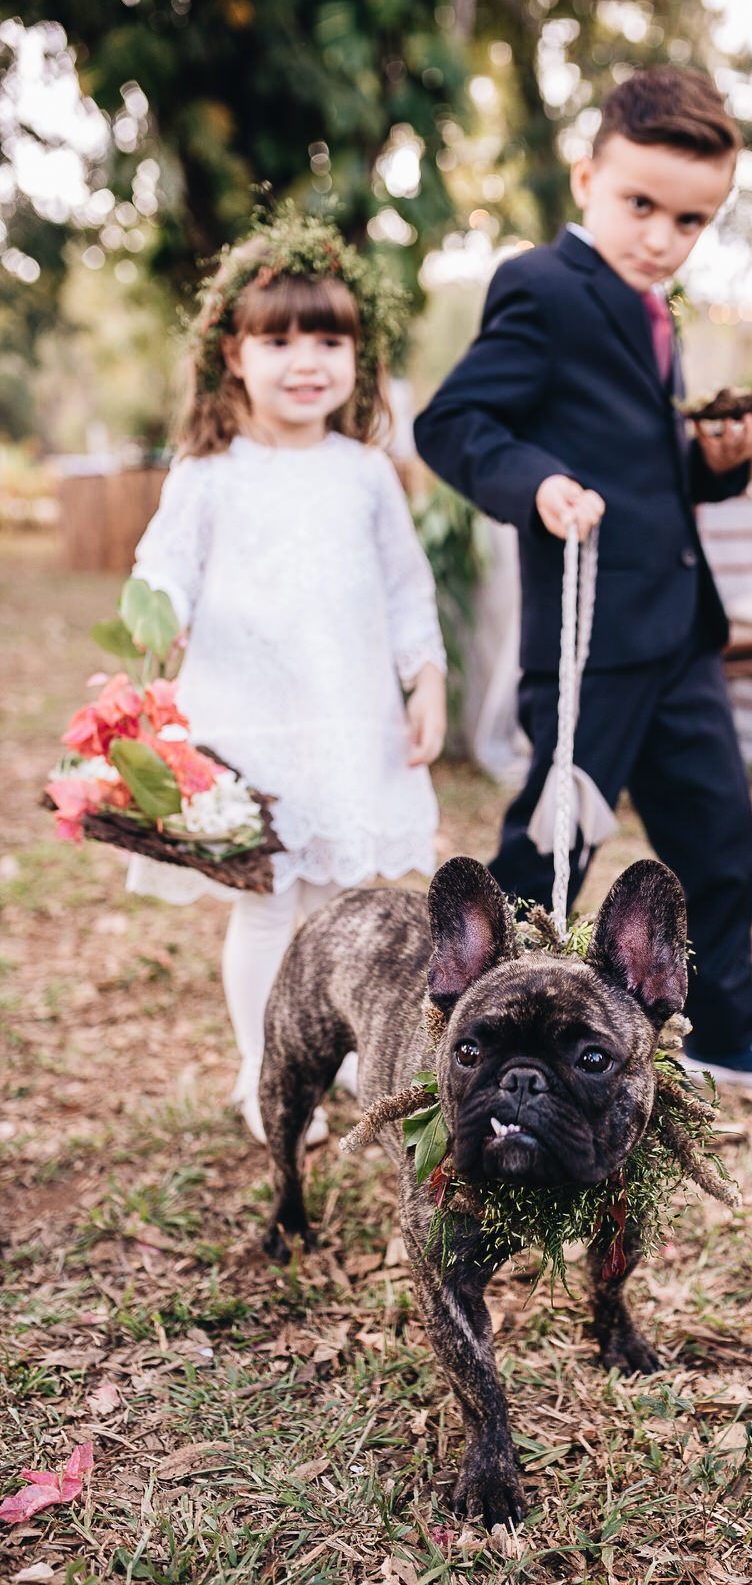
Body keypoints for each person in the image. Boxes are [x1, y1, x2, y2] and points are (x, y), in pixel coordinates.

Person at [415, 66, 752, 1102]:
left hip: (678, 630)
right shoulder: (542, 286)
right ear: (586, 178)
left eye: (690, 221)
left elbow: (652, 469)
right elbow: (454, 423)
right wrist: (537, 483)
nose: (661, 237)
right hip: (592, 638)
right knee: (552, 843)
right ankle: (484, 1043)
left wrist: (719, 460)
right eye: (640, 204)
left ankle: (725, 1026)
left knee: (718, 839)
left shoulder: (655, 311)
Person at [128, 210, 447, 1144]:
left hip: (347, 724)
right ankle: (263, 1070)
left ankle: (325, 1046)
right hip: (252, 727)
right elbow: (164, 569)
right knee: (269, 908)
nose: (306, 361)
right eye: (279, 341)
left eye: (328, 341)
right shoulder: (210, 474)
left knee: (339, 908)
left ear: (357, 357)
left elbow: (407, 591)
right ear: (234, 355)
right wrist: (155, 617)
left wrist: (425, 678)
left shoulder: (366, 474)